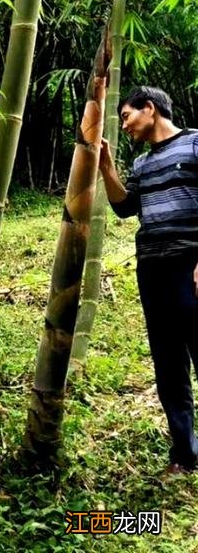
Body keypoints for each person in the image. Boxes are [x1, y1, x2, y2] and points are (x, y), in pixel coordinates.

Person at [99, 86, 198, 475]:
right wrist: (107, 167)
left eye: (126, 116)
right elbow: (125, 207)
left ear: (150, 109)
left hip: (189, 264)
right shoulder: (141, 163)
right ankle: (184, 455)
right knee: (168, 362)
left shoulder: (193, 145)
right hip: (152, 269)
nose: (124, 125)